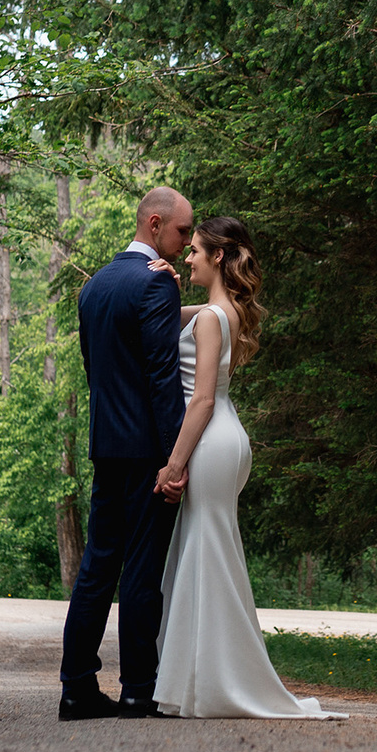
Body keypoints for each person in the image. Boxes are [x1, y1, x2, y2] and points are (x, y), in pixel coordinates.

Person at [148, 215, 343, 720]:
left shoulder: (214, 317)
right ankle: (202, 682)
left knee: (208, 556)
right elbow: (170, 317)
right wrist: (163, 286)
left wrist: (173, 464)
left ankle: (219, 684)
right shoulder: (222, 309)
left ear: (217, 256)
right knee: (207, 555)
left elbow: (203, 400)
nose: (184, 259)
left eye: (192, 252)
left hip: (210, 440)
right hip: (227, 441)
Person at [57, 186, 194, 720]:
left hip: (106, 446)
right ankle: (139, 686)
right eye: (182, 231)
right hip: (145, 454)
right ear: (155, 224)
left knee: (97, 567)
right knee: (141, 570)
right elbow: (163, 379)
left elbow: (99, 374)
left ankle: (76, 689)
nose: (185, 242)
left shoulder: (93, 288)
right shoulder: (155, 284)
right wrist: (174, 458)